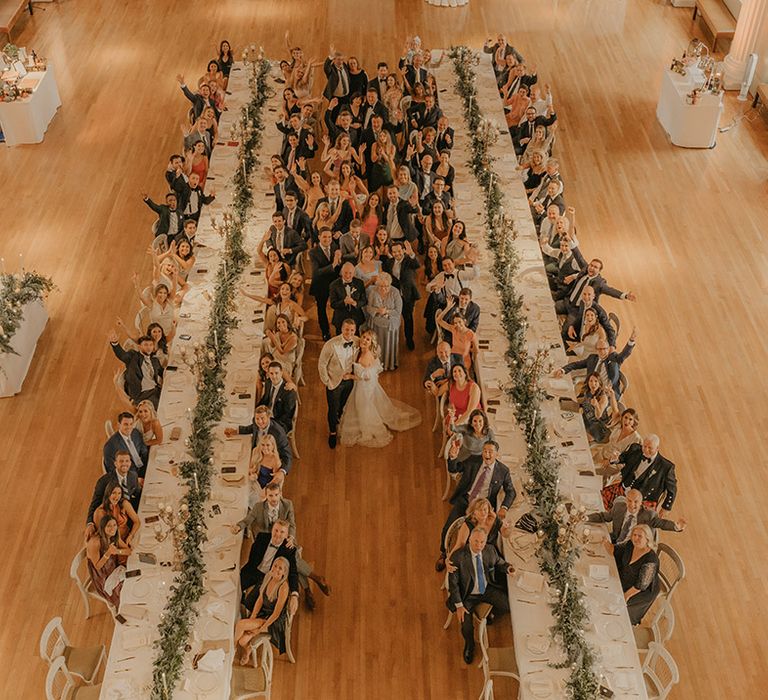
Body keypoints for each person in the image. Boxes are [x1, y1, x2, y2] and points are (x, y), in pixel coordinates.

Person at [232, 483, 331, 611]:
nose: (274, 498)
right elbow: (248, 520)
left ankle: (308, 588)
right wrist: (238, 526)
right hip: (266, 541)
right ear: (266, 495)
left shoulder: (287, 505)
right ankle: (313, 583)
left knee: (292, 561)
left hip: (284, 538)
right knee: (293, 562)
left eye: (276, 495)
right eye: (270, 495)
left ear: (281, 494)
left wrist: (290, 537)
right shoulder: (258, 507)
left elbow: (292, 524)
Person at [438, 440, 515, 571]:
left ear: (497, 454)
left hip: (483, 508)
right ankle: (443, 553)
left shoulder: (503, 471)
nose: (487, 454)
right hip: (466, 500)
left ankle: (484, 564)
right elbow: (454, 468)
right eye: (485, 451)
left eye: (491, 452)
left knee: (485, 537)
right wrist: (453, 457)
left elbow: (511, 491)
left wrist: (504, 507)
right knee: (448, 526)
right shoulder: (473, 461)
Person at [337, 330, 421, 447]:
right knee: (365, 405)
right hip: (366, 386)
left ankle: (368, 432)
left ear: (372, 343)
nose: (364, 340)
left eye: (368, 339)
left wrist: (350, 376)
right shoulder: (362, 350)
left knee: (363, 407)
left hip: (364, 387)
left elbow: (365, 377)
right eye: (364, 337)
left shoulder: (366, 356)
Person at [447, 528, 514, 663]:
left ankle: (491, 614)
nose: (479, 545)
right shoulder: (458, 557)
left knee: (508, 605)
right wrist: (459, 605)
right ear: (470, 540)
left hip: (487, 589)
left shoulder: (490, 550)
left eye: (482, 542)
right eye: (476, 541)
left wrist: (508, 568)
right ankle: (469, 645)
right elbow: (453, 584)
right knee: (466, 625)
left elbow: (499, 563)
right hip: (467, 596)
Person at [603, 435, 678, 514]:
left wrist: (666, 507)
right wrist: (615, 459)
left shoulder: (666, 467)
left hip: (642, 502)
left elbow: (672, 490)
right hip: (623, 490)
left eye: (650, 448)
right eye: (644, 446)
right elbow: (623, 458)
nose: (645, 450)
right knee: (598, 501)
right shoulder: (635, 449)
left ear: (657, 448)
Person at [603, 524, 660, 625]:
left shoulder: (651, 561)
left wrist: (624, 596)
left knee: (618, 609)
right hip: (627, 577)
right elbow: (615, 550)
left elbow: (641, 585)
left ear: (647, 539)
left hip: (640, 591)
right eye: (634, 535)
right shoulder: (630, 544)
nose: (636, 538)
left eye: (640, 536)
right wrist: (604, 541)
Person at [235, 557, 290, 660]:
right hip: (264, 613)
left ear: (284, 573)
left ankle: (232, 649)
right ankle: (247, 650)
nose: (276, 569)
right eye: (275, 566)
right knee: (242, 641)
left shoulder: (283, 587)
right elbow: (260, 599)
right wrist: (253, 616)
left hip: (274, 621)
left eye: (280, 568)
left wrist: (259, 629)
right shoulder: (269, 576)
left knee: (240, 625)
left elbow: (276, 614)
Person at [555, 330, 636, 400]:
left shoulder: (614, 359)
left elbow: (624, 355)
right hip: (591, 388)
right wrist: (563, 370)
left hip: (607, 393)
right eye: (599, 349)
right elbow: (576, 364)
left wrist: (631, 341)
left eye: (604, 349)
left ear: (608, 349)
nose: (602, 351)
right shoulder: (592, 358)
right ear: (596, 350)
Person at [240, 520, 300, 614]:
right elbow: (252, 559)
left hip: (269, 577)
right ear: (272, 529)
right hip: (253, 570)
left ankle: (255, 615)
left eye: (282, 532)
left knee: (250, 603)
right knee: (234, 588)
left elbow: (293, 573)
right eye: (276, 530)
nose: (278, 534)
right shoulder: (261, 537)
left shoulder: (289, 550)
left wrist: (294, 594)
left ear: (286, 535)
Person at [318, 319, 359, 448]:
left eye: (352, 330)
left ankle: (341, 422)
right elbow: (322, 364)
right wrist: (327, 382)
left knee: (344, 406)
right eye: (347, 329)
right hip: (334, 382)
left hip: (349, 381)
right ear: (341, 329)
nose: (349, 332)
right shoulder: (331, 344)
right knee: (333, 409)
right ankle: (333, 432)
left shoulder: (357, 341)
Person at [589, 489, 687, 544]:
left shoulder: (649, 515)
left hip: (632, 548)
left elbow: (662, 523)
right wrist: (585, 518)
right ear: (626, 500)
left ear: (641, 503)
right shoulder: (619, 507)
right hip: (614, 541)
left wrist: (676, 526)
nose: (632, 505)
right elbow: (603, 516)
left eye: (636, 502)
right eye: (629, 501)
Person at [224, 405, 293, 481]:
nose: (259, 422)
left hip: (266, 461)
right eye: (257, 419)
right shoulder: (256, 422)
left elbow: (287, 456)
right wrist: (236, 431)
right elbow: (251, 428)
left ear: (268, 416)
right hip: (254, 455)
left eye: (262, 418)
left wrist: (282, 471)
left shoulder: (278, 433)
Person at [86, 451, 141, 536]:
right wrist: (90, 523)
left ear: (130, 463)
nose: (124, 464)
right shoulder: (104, 481)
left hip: (130, 513)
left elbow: (138, 493)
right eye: (121, 461)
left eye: (127, 461)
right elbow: (94, 503)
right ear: (115, 463)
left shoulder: (133, 476)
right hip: (113, 519)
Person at [108, 330, 163, 408]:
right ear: (139, 346)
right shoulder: (132, 357)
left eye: (151, 345)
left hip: (156, 390)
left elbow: (163, 372)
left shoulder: (155, 360)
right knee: (162, 408)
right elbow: (122, 355)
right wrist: (115, 343)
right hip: (142, 395)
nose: (149, 347)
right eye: (146, 345)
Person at [86, 515, 131, 610]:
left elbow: (129, 551)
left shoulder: (114, 535)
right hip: (101, 575)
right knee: (123, 591)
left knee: (132, 579)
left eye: (114, 525)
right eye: (109, 526)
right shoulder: (95, 542)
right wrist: (108, 553)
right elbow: (97, 566)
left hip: (113, 566)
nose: (112, 528)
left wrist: (117, 551)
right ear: (103, 528)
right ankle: (124, 610)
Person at [382, 240, 420, 350]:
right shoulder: (389, 262)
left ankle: (409, 339)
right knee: (393, 317)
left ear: (403, 250)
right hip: (394, 295)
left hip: (408, 294)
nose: (397, 254)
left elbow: (417, 264)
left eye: (399, 251)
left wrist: (411, 253)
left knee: (408, 317)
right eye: (394, 252)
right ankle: (393, 339)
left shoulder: (409, 260)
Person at [365, 273, 403, 370]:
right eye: (381, 286)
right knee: (377, 345)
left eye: (386, 286)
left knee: (389, 345)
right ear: (377, 285)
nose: (383, 288)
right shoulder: (373, 291)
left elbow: (398, 311)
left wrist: (386, 311)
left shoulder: (395, 292)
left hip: (391, 324)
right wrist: (377, 311)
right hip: (377, 324)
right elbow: (368, 308)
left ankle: (389, 364)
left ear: (390, 284)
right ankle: (377, 364)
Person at [309, 229, 342, 341]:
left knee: (338, 306)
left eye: (329, 237)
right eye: (324, 237)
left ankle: (339, 330)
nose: (327, 239)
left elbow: (339, 266)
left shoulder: (335, 247)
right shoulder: (313, 252)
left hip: (335, 283)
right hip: (320, 285)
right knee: (321, 309)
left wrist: (339, 260)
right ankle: (325, 332)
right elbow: (316, 272)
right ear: (319, 237)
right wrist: (332, 265)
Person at [592, 408, 642, 473]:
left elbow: (626, 457)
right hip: (603, 453)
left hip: (614, 463)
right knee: (585, 465)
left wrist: (610, 461)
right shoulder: (618, 426)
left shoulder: (635, 438)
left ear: (634, 422)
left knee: (593, 473)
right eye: (625, 417)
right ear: (622, 417)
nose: (627, 421)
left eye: (630, 419)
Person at [93, 480, 140, 546]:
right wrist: (125, 547)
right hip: (113, 544)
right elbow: (105, 536)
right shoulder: (100, 512)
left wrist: (131, 536)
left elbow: (137, 522)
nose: (116, 496)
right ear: (108, 493)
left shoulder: (124, 503)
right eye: (113, 493)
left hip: (128, 538)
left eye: (119, 493)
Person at [257, 361, 298, 434]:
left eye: (276, 373)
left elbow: (287, 415)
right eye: (271, 373)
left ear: (281, 373)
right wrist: (256, 410)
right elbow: (265, 399)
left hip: (281, 422)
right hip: (268, 415)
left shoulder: (289, 392)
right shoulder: (268, 383)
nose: (274, 376)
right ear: (268, 374)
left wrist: (269, 422)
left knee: (259, 432)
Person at [580, 373, 619, 444]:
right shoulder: (587, 391)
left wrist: (596, 405)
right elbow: (584, 404)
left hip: (597, 426)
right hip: (587, 418)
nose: (593, 384)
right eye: (590, 381)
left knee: (580, 438)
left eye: (596, 381)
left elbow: (598, 415)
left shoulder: (603, 397)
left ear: (599, 383)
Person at [441, 364, 481, 431]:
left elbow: (470, 411)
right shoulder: (451, 384)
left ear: (465, 374)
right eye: (454, 371)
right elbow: (438, 393)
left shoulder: (474, 387)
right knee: (451, 430)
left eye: (459, 371)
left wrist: (455, 425)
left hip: (472, 417)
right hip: (455, 414)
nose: (457, 373)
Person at [329, 262, 367, 333]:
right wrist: (344, 302)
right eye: (345, 273)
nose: (348, 275)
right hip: (340, 318)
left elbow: (364, 300)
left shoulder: (359, 283)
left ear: (354, 273)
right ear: (341, 272)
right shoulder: (334, 285)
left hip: (356, 317)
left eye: (350, 273)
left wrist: (355, 303)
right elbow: (333, 304)